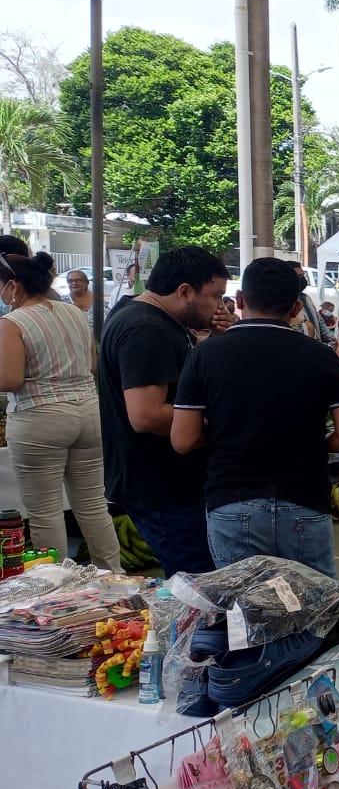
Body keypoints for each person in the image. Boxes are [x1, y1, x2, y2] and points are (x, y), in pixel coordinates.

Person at [169, 258, 339, 711]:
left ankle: (243, 712)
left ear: (239, 301)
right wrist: (312, 446)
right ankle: (311, 713)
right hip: (303, 499)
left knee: (243, 618)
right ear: (296, 307)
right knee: (312, 614)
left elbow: (182, 440)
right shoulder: (320, 356)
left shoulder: (206, 356)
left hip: (231, 500)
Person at [98, 246, 231, 576]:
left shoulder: (150, 319)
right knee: (200, 588)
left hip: (165, 482)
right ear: (185, 291)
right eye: (215, 296)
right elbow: (146, 415)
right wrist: (220, 420)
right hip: (162, 486)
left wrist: (215, 341)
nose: (220, 306)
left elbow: (175, 376)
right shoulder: (146, 328)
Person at [0, 253, 122, 570]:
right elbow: (92, 364)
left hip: (39, 417)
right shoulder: (74, 313)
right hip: (88, 413)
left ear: (13, 286)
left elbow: (10, 378)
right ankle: (114, 576)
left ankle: (57, 590)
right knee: (94, 503)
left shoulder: (12, 322)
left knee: (45, 510)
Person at [288, 262, 332, 344]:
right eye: (299, 276)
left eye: (303, 275)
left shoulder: (306, 298)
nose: (303, 279)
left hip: (315, 345)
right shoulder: (287, 301)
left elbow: (318, 320)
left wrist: (329, 336)